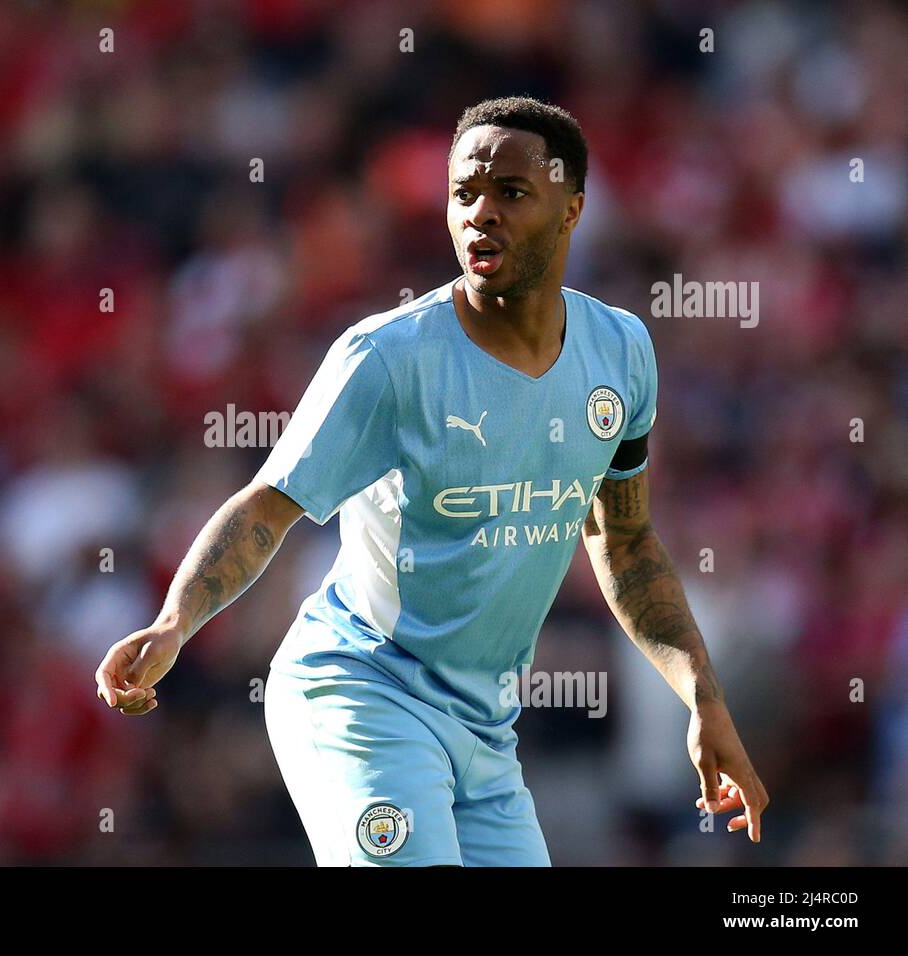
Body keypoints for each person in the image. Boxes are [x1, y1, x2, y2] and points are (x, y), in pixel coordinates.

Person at [94, 96, 768, 866]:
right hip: (362, 693)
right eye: (464, 194)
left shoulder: (620, 353)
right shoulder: (385, 359)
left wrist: (703, 699)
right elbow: (265, 508)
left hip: (486, 731)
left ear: (573, 207)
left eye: (511, 193)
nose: (481, 213)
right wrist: (177, 621)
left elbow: (626, 539)